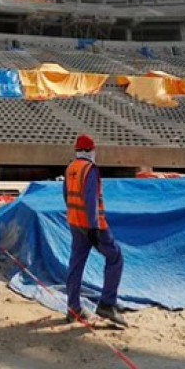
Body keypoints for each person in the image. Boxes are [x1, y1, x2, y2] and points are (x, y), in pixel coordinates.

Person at [63, 134, 127, 327]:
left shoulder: (70, 168)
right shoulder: (90, 169)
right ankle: (107, 304)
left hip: (75, 223)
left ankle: (73, 308)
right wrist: (92, 227)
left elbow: (67, 196)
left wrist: (78, 219)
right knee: (115, 257)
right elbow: (91, 200)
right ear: (91, 150)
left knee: (76, 265)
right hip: (94, 226)